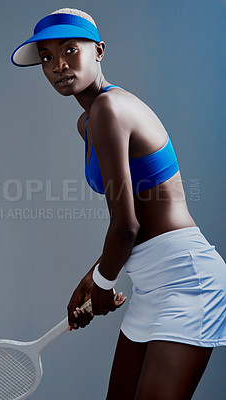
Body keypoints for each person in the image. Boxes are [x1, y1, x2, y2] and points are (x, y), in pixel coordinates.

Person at [12, 8, 226, 399]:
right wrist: (92, 280)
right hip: (150, 284)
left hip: (185, 280)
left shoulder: (110, 110)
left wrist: (104, 284)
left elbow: (125, 225)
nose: (58, 65)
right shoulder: (89, 122)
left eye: (70, 50)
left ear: (99, 51)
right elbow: (135, 221)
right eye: (46, 57)